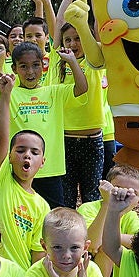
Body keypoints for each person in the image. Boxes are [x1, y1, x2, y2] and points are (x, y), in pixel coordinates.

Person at [0, 38, 87, 210]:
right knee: (21, 214)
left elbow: (81, 88)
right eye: (23, 66)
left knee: (54, 216)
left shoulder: (54, 92)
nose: (30, 71)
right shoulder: (8, 92)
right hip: (19, 170)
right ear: (14, 68)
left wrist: (72, 61)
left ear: (43, 65)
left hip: (50, 170)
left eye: (36, 65)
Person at [0, 73, 51, 269]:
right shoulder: (0, 178)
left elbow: (38, 254)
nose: (27, 155)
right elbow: (3, 136)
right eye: (20, 150)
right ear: (10, 157)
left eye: (34, 152)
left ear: (42, 161)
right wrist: (5, 95)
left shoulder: (42, 206)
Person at [57, 22, 105, 207]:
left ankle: (91, 235)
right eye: (67, 39)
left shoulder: (95, 62)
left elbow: (98, 28)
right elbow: (57, 23)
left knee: (91, 196)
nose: (72, 43)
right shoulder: (57, 63)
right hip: (65, 139)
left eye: (78, 38)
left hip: (91, 140)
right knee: (66, 195)